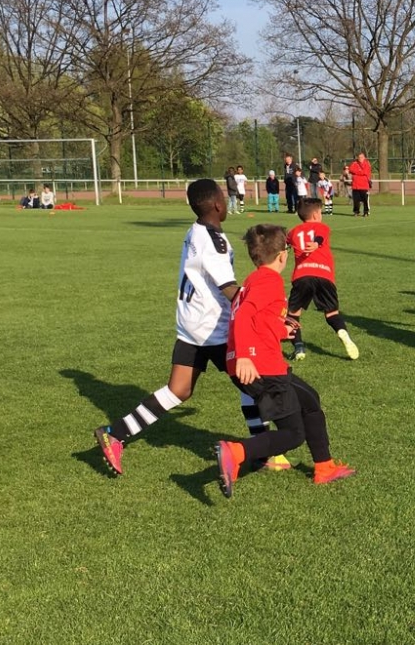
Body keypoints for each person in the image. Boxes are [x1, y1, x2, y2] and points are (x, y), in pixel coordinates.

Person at [93, 179, 292, 475]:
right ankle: (264, 451)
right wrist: (263, 307)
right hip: (213, 327)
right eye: (223, 196)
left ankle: (115, 433)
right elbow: (229, 288)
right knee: (253, 381)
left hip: (190, 323)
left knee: (179, 389)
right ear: (218, 205)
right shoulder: (214, 242)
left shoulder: (196, 229)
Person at [215, 223, 355, 498]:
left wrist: (282, 330)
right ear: (283, 255)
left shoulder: (252, 281)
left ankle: (324, 466)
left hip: (258, 363)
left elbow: (257, 320)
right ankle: (235, 452)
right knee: (293, 434)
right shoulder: (269, 281)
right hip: (261, 367)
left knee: (310, 399)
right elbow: (243, 317)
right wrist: (245, 355)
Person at [285, 197, 360, 361]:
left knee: (293, 314)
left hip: (302, 276)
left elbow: (284, 242)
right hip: (324, 275)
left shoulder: (293, 231)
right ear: (316, 214)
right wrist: (316, 243)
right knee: (332, 313)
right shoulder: (322, 227)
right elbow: (320, 236)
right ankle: (342, 331)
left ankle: (299, 348)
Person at [349, 151, 372, 217]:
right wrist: (359, 172)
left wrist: (357, 172)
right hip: (355, 185)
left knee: (365, 200)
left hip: (364, 186)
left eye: (361, 157)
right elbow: (351, 170)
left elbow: (365, 172)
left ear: (364, 157)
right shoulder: (354, 163)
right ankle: (356, 212)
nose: (360, 158)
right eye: (359, 157)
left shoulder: (367, 164)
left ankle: (366, 212)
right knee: (356, 200)